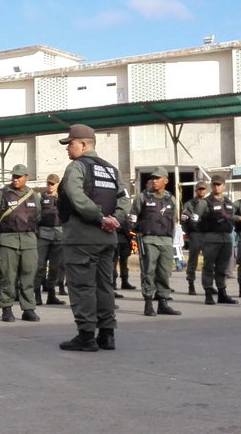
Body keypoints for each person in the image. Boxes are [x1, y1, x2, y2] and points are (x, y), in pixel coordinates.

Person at [55, 124, 131, 352]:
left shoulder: (77, 167)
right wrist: (114, 219)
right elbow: (125, 199)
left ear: (84, 144)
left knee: (82, 287)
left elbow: (76, 196)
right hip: (107, 239)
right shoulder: (111, 170)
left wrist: (100, 218)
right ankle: (107, 335)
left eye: (70, 143)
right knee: (104, 286)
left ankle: (86, 336)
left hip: (81, 238)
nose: (67, 148)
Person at [0, 165, 42, 322]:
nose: (16, 179)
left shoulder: (33, 195)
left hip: (29, 240)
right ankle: (6, 307)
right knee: (8, 276)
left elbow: (39, 217)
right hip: (8, 240)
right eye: (14, 176)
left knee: (29, 275)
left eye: (19, 176)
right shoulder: (2, 194)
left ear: (26, 177)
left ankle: (28, 308)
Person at [129, 168, 182, 318]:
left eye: (157, 178)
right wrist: (133, 234)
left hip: (165, 240)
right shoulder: (142, 197)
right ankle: (148, 303)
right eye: (152, 178)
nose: (154, 181)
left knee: (164, 272)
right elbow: (133, 217)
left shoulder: (170, 198)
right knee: (148, 271)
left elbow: (173, 220)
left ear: (166, 180)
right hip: (148, 239)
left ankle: (163, 302)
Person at [192, 175, 239, 305]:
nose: (216, 187)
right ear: (211, 186)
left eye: (219, 184)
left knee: (222, 268)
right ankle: (208, 293)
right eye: (214, 184)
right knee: (208, 266)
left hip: (226, 238)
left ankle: (222, 293)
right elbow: (194, 220)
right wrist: (202, 235)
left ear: (224, 186)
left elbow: (232, 217)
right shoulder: (204, 202)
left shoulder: (229, 203)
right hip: (211, 238)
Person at [35, 174, 65, 306]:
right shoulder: (40, 197)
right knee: (39, 266)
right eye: (48, 183)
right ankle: (37, 295)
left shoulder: (63, 198)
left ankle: (51, 295)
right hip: (43, 234)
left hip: (59, 235)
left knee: (55, 267)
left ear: (58, 184)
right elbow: (35, 215)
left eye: (53, 184)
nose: (50, 186)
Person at [180, 180, 208, 295]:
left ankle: (208, 285)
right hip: (195, 234)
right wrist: (189, 234)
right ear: (196, 190)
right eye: (199, 189)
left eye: (203, 189)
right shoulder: (189, 204)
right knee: (193, 261)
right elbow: (183, 221)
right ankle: (191, 284)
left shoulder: (209, 203)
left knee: (209, 261)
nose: (201, 191)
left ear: (206, 190)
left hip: (208, 234)